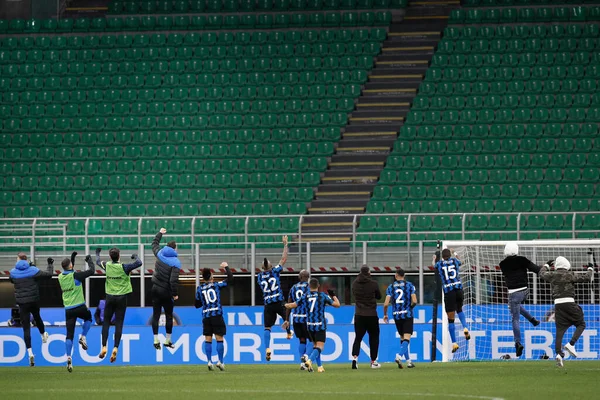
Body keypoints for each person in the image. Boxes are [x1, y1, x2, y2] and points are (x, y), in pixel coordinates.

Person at [539, 255, 595, 367]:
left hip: (558, 305)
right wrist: (590, 269)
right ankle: (571, 344)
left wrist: (546, 266)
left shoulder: (552, 275)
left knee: (560, 330)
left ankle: (559, 355)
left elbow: (541, 274)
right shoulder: (570, 275)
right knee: (581, 324)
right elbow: (586, 278)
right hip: (569, 303)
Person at [96, 247, 142, 363]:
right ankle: (115, 347)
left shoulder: (107, 265)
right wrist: (135, 256)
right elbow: (139, 263)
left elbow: (97, 261)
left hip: (110, 297)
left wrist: (97, 253)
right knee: (119, 323)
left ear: (110, 257)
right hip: (122, 298)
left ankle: (104, 346)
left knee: (106, 322)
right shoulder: (124, 267)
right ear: (119, 255)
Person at [285, 278, 340, 372]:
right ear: (318, 286)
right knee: (320, 347)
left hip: (309, 325)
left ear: (309, 286)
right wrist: (333, 295)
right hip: (320, 325)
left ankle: (319, 366)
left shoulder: (305, 296)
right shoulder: (322, 296)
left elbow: (293, 305)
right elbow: (337, 305)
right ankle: (309, 359)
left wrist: (286, 305)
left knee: (315, 345)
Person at [9, 252, 53, 367]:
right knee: (37, 317)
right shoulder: (33, 270)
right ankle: (43, 334)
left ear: (18, 259)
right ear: (26, 259)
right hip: (33, 300)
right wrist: (50, 264)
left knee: (26, 328)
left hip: (22, 303)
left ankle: (30, 352)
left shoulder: (13, 272)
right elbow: (49, 275)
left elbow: (12, 280)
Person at [499, 243, 541, 357]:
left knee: (515, 319)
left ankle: (517, 342)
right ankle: (532, 320)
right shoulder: (522, 260)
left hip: (514, 293)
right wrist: (546, 266)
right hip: (526, 291)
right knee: (513, 306)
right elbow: (537, 269)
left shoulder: (502, 264)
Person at [57, 251, 95, 373]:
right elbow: (91, 271)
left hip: (68, 309)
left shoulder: (60, 277)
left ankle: (68, 357)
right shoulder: (76, 276)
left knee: (69, 334)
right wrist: (89, 260)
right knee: (88, 318)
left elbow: (69, 270)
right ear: (71, 266)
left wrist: (72, 258)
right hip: (79, 306)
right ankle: (83, 337)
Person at [257, 235, 291, 361]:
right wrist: (285, 245)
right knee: (287, 315)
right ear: (271, 267)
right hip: (279, 301)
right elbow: (283, 259)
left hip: (268, 304)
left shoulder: (259, 277)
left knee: (267, 327)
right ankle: (288, 333)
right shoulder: (275, 271)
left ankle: (267, 348)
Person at [195, 262, 233, 371]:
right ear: (211, 277)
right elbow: (230, 279)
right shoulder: (216, 285)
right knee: (219, 338)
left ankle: (209, 361)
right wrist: (226, 266)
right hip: (216, 314)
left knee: (208, 339)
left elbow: (197, 305)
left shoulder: (199, 289)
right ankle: (220, 361)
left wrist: (205, 301)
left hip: (206, 315)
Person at [433, 248, 470, 354]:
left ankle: (454, 343)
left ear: (442, 256)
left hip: (449, 292)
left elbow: (433, 265)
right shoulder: (454, 261)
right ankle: (465, 328)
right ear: (449, 255)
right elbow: (461, 261)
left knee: (451, 319)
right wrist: (455, 252)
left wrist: (434, 258)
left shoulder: (439, 264)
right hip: (458, 289)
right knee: (459, 309)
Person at [150, 227, 181, 350]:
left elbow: (154, 244)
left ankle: (155, 339)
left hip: (155, 288)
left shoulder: (160, 253)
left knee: (156, 315)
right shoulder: (176, 262)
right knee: (168, 316)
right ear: (174, 248)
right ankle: (168, 340)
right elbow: (173, 281)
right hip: (166, 292)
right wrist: (175, 294)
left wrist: (160, 233)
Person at [383, 268, 417, 369]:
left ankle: (409, 362)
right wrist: (409, 308)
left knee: (402, 338)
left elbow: (385, 304)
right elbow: (414, 301)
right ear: (404, 275)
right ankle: (399, 356)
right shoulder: (409, 285)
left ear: (396, 275)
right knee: (407, 338)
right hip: (407, 314)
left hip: (396, 315)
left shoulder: (390, 287)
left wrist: (385, 315)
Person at [351, 265, 381, 369]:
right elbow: (379, 296)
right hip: (371, 314)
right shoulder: (373, 284)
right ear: (368, 272)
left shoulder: (355, 283)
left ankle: (355, 359)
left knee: (358, 338)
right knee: (374, 337)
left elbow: (354, 294)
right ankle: (373, 361)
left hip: (359, 314)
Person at [286, 269, 311, 370]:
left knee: (302, 340)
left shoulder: (293, 288)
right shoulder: (309, 287)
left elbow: (289, 303)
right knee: (312, 340)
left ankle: (301, 363)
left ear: (299, 277)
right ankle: (306, 358)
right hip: (307, 318)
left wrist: (287, 319)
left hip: (296, 318)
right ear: (308, 278)